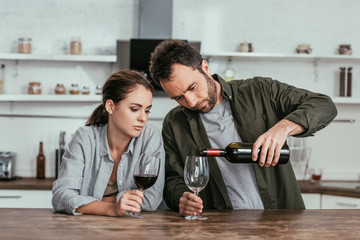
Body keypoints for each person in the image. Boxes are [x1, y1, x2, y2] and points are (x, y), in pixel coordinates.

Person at [149, 39, 337, 217]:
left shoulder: (259, 91)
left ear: (205, 68)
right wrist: (181, 198)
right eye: (178, 98)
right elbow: (172, 179)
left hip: (282, 224)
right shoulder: (174, 123)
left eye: (192, 87)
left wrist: (283, 128)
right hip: (222, 230)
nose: (190, 101)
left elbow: (324, 105)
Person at [52, 69, 165, 216]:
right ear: (110, 106)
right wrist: (112, 208)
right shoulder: (85, 138)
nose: (143, 118)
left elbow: (151, 200)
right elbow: (61, 197)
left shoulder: (151, 136)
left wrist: (90, 202)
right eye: (135, 109)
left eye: (147, 110)